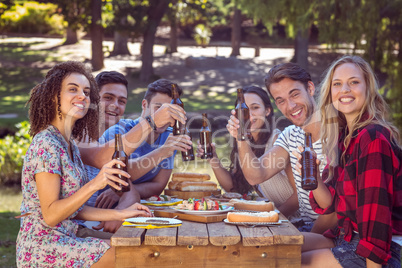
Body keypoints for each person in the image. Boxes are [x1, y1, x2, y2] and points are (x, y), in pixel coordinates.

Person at [16, 61, 152, 267]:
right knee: (134, 257)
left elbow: (74, 209)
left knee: (141, 249)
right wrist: (95, 184)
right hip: (44, 246)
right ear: (55, 97)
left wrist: (121, 213)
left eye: (87, 92)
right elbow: (52, 215)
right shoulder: (46, 143)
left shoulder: (68, 144)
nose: (83, 96)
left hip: (67, 237)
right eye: (73, 89)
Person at [299, 55, 401, 267]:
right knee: (279, 248)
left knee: (290, 262)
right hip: (347, 235)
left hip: (385, 249)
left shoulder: (373, 138)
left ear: (368, 89)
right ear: (331, 92)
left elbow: (376, 217)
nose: (344, 89)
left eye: (354, 82)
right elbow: (332, 205)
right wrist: (315, 177)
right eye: (337, 84)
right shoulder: (345, 138)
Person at [227, 62, 336, 233]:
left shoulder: (338, 133)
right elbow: (256, 175)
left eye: (294, 94)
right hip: (307, 231)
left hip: (334, 234)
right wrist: (241, 137)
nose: (290, 106)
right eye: (281, 101)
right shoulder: (290, 135)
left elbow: (336, 212)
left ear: (310, 88)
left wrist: (302, 240)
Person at [197, 85, 297, 215]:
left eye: (255, 108)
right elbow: (233, 188)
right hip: (272, 217)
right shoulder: (245, 144)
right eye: (243, 110)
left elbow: (299, 195)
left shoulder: (277, 140)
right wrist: (213, 158)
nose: (247, 114)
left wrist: (273, 217)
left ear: (267, 111)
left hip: (294, 220)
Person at [93, 79, 192, 205]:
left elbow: (158, 185)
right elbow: (116, 175)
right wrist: (162, 152)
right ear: (144, 105)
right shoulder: (119, 131)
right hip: (105, 209)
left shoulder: (169, 136)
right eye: (158, 108)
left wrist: (122, 191)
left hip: (143, 207)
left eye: (170, 110)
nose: (165, 115)